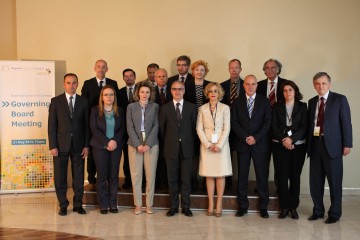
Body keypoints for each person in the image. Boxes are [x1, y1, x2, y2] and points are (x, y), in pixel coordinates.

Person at [307, 72, 352, 224]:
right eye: (317, 84)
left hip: (333, 147)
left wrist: (347, 144)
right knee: (315, 183)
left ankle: (335, 213)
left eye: (323, 83)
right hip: (315, 145)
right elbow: (310, 125)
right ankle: (318, 211)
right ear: (314, 85)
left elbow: (346, 123)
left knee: (335, 183)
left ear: (329, 84)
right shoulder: (312, 101)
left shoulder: (339, 99)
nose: (321, 86)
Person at [48, 73, 89, 216]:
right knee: (60, 177)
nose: (71, 85)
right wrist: (53, 146)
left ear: (77, 84)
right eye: (68, 83)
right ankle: (63, 205)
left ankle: (78, 204)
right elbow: (52, 126)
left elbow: (86, 126)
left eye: (74, 83)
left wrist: (86, 145)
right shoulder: (56, 101)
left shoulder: (84, 102)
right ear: (64, 84)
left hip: (79, 145)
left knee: (78, 177)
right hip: (60, 145)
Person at [231, 74, 271, 218]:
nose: (250, 86)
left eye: (253, 84)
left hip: (260, 145)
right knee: (242, 176)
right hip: (242, 144)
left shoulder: (265, 102)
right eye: (247, 84)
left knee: (261, 177)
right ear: (243, 85)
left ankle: (264, 207)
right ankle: (242, 206)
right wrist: (245, 137)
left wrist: (255, 137)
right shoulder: (237, 102)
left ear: (256, 85)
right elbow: (234, 122)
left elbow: (267, 122)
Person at [159, 81, 197, 217]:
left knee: (186, 179)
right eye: (174, 89)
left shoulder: (192, 108)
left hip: (187, 148)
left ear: (184, 90)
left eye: (180, 89)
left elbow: (194, 129)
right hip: (171, 148)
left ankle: (186, 207)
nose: (177, 91)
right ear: (171, 91)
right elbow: (162, 131)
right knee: (172, 179)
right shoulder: (164, 108)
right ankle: (173, 207)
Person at [272, 81, 307, 219]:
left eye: (290, 90)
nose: (288, 93)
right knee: (282, 177)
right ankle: (284, 207)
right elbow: (274, 126)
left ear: (295, 91)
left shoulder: (303, 106)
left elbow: (304, 126)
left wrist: (291, 140)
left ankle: (293, 207)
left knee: (294, 177)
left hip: (298, 146)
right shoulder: (277, 106)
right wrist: (284, 140)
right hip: (279, 145)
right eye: (285, 90)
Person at [81, 59, 119, 191]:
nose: (101, 69)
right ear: (94, 68)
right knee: (93, 153)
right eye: (98, 67)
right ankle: (92, 178)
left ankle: (108, 179)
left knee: (109, 156)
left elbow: (116, 104)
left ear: (107, 69)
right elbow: (84, 104)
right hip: (94, 123)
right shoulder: (88, 83)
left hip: (109, 123)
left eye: (103, 67)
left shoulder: (113, 83)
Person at [196, 82, 232, 217]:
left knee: (220, 174)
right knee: (209, 174)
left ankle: (219, 203)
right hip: (207, 146)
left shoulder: (225, 108)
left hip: (221, 146)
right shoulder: (202, 109)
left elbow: (226, 128)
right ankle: (211, 203)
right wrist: (208, 144)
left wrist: (219, 145)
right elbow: (199, 129)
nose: (213, 93)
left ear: (219, 93)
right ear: (207, 93)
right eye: (210, 91)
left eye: (215, 91)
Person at [90, 85, 126, 214]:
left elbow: (122, 129)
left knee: (113, 176)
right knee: (101, 176)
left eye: (111, 94)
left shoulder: (120, 110)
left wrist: (114, 141)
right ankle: (103, 204)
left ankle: (113, 203)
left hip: (116, 147)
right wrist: (107, 142)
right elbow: (94, 129)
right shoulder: (95, 111)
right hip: (100, 147)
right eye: (106, 94)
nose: (109, 97)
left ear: (114, 97)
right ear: (102, 97)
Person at [126, 80, 159, 215]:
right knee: (136, 175)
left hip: (151, 145)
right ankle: (138, 204)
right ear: (137, 93)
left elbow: (156, 126)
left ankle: (149, 204)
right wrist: (138, 144)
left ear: (150, 93)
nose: (145, 94)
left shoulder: (155, 106)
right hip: (134, 145)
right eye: (142, 92)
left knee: (150, 176)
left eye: (147, 92)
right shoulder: (131, 107)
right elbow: (130, 127)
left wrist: (148, 144)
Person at [186, 60, 211, 189]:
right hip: (191, 124)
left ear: (205, 72)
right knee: (194, 153)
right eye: (197, 69)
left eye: (202, 70)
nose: (199, 72)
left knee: (207, 152)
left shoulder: (210, 85)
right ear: (193, 71)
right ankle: (192, 180)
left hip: (208, 124)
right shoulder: (187, 85)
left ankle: (206, 181)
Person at [221, 58, 245, 188]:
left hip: (241, 126)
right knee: (226, 154)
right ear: (228, 69)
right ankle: (227, 182)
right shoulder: (222, 85)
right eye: (231, 67)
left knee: (241, 156)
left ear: (240, 69)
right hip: (225, 126)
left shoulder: (247, 85)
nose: (234, 70)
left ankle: (241, 183)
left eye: (236, 67)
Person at [118, 68, 137, 189]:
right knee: (127, 156)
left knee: (139, 157)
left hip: (139, 130)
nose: (128, 78)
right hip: (124, 131)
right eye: (126, 76)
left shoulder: (141, 91)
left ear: (134, 77)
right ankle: (128, 180)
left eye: (131, 76)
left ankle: (140, 180)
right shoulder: (118, 92)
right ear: (123, 78)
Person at [154, 68, 172, 189]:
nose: (162, 79)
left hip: (170, 129)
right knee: (156, 157)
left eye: (164, 76)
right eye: (159, 77)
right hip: (154, 129)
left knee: (168, 157)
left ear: (167, 77)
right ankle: (157, 182)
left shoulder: (173, 91)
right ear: (155, 78)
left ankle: (166, 182)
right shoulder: (150, 92)